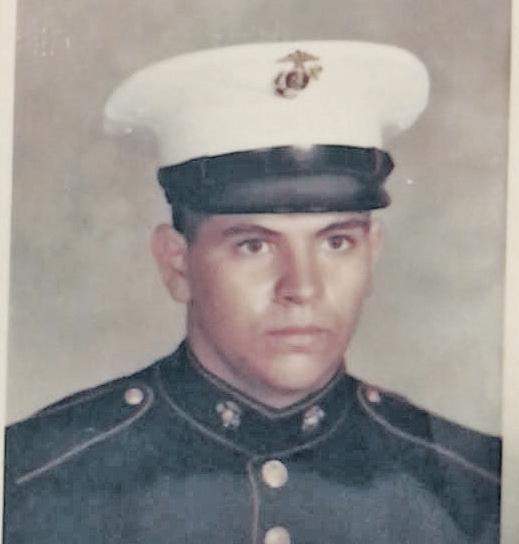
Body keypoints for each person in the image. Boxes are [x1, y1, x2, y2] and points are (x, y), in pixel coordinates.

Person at [3, 41, 501, 543]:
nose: (301, 288)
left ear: (371, 255)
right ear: (177, 263)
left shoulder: (478, 492)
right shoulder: (30, 482)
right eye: (254, 245)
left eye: (335, 242)